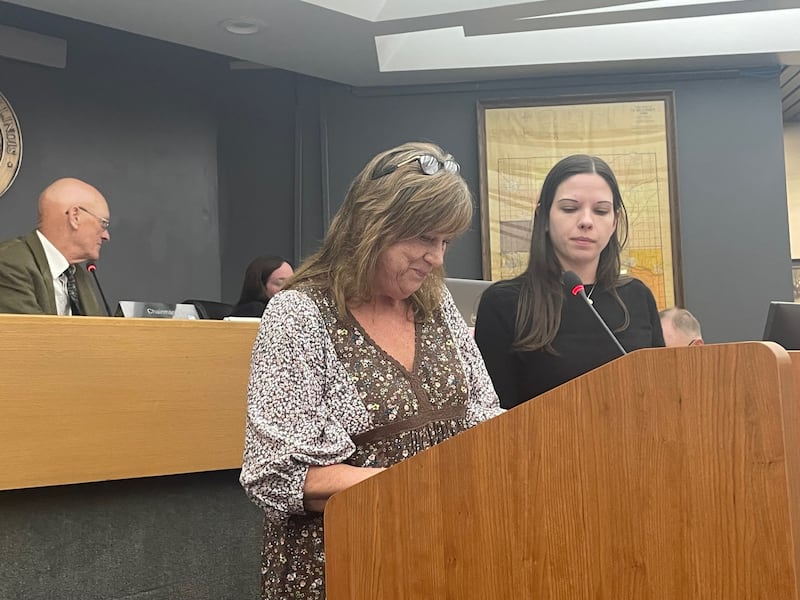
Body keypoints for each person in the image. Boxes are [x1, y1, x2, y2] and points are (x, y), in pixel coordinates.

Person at [240, 142, 503, 599]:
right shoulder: (299, 314)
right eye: (424, 238)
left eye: (445, 242)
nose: (437, 258)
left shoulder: (436, 308)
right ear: (372, 225)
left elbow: (482, 415)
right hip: (347, 566)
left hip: (442, 556)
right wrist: (423, 489)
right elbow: (275, 474)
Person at [475, 154, 664, 409]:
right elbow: (494, 415)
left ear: (614, 222)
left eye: (600, 211)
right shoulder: (504, 302)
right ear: (543, 216)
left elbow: (662, 399)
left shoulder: (638, 297)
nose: (586, 221)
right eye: (569, 208)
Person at [0, 177, 110, 315]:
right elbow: (33, 334)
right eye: (103, 224)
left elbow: (96, 333)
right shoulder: (9, 264)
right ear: (75, 216)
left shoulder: (79, 276)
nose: (106, 235)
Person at [229, 255, 293, 317]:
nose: (288, 289)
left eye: (291, 283)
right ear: (261, 284)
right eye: (279, 283)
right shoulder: (254, 310)